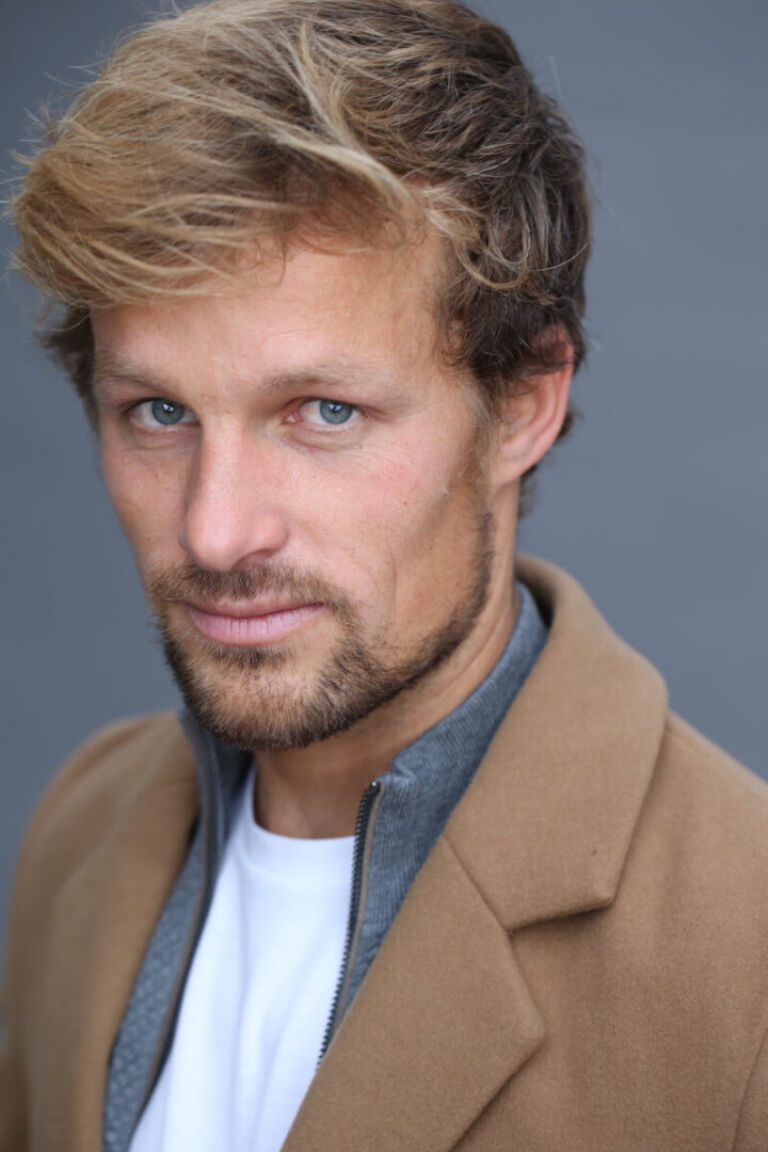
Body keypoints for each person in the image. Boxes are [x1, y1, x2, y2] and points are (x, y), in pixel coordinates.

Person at [2, 0, 767, 1149]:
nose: (215, 533)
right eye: (158, 412)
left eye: (324, 412)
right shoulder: (83, 824)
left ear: (523, 404)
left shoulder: (745, 947)